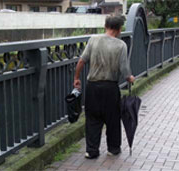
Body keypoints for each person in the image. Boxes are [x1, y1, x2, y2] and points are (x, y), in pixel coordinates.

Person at [73, 14, 135, 159]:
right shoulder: (121, 45)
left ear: (105, 26)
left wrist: (76, 78)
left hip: (92, 87)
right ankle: (113, 149)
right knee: (113, 119)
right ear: (119, 29)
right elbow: (124, 69)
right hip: (110, 88)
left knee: (92, 118)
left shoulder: (93, 40)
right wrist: (130, 78)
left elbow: (82, 61)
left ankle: (92, 150)